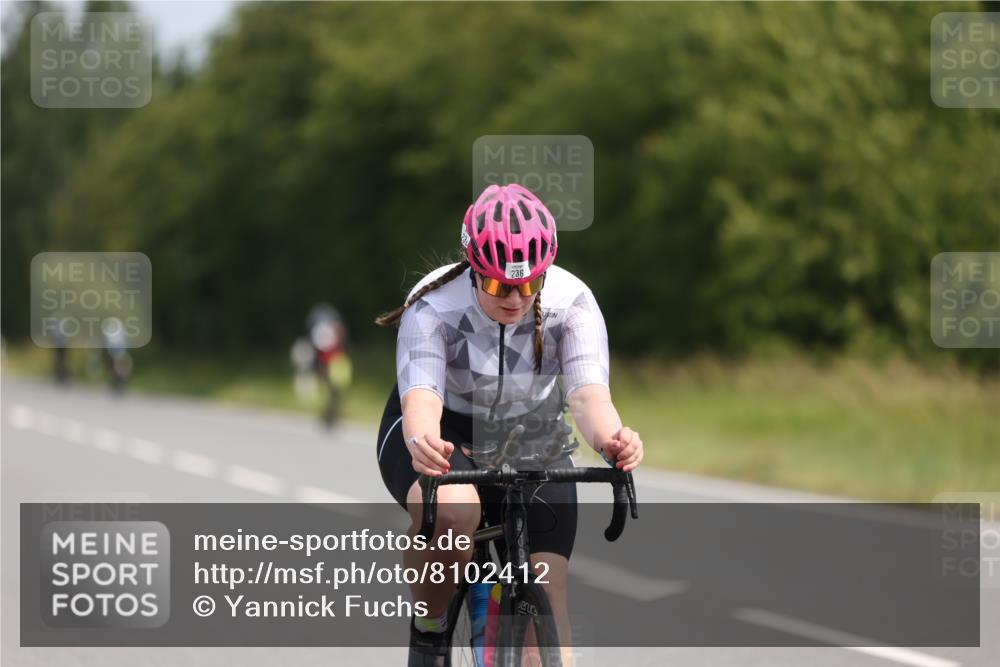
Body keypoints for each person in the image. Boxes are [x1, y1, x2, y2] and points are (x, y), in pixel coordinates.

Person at [374, 183, 644, 666]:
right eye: (499, 285)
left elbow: (586, 396)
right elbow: (422, 397)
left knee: (548, 596)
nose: (516, 298)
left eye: (529, 283)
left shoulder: (573, 301)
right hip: (446, 428)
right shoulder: (433, 304)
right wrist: (424, 442)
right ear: (474, 269)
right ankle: (430, 628)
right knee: (454, 515)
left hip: (531, 432)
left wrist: (612, 441)